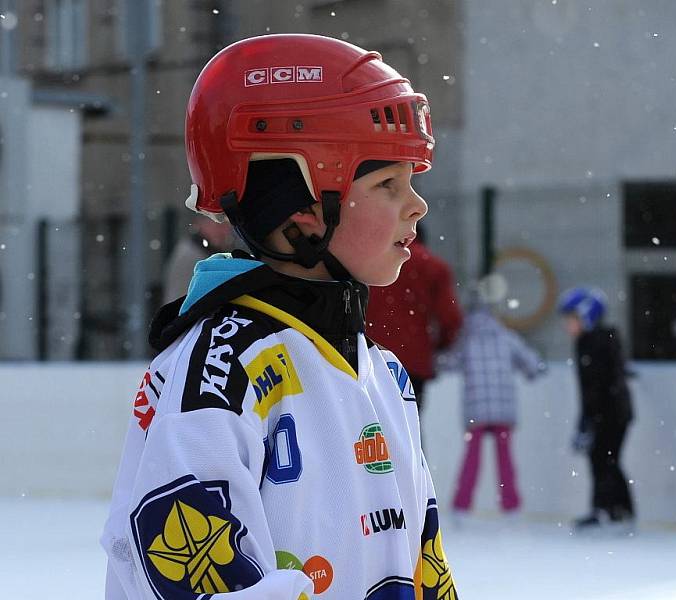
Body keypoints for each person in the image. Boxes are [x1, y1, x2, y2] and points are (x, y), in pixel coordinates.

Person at [101, 34, 458, 600]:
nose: (418, 205)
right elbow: (188, 566)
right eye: (388, 183)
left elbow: (423, 564)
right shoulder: (221, 371)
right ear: (303, 216)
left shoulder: (382, 373)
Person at [444, 276, 546, 515]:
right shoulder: (506, 336)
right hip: (503, 410)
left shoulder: (466, 340)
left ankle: (461, 506)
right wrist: (537, 368)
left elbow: (447, 364)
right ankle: (510, 506)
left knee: (472, 458)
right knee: (505, 459)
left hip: (475, 411)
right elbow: (533, 365)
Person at [558, 286, 635, 532]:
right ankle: (617, 510)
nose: (567, 326)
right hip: (608, 413)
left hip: (611, 414)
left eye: (571, 319)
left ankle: (608, 511)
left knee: (604, 460)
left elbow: (597, 385)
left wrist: (588, 420)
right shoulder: (594, 341)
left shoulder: (595, 342)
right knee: (605, 460)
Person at [366, 224, 463, 416]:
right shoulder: (434, 267)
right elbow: (451, 318)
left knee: (372, 424)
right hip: (414, 359)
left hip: (372, 355)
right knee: (410, 425)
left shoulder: (369, 262)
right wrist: (439, 345)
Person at [161, 218, 233, 303]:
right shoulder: (190, 257)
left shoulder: (199, 252)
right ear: (201, 224)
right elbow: (181, 302)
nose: (225, 232)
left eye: (227, 226)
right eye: (219, 226)